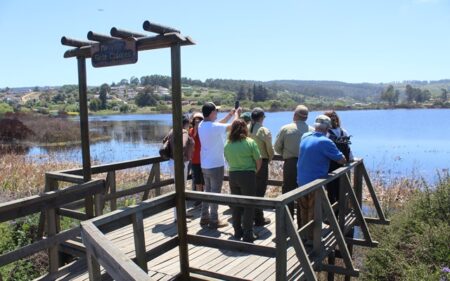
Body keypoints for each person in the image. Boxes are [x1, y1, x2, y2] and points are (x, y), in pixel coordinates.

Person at [297, 115, 346, 239]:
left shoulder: (305, 136)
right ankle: (312, 240)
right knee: (314, 212)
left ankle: (303, 236)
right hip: (315, 183)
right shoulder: (325, 142)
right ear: (327, 129)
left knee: (303, 209)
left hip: (301, 180)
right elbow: (342, 160)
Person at [198, 102, 240, 229]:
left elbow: (219, 124)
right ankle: (214, 220)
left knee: (207, 192)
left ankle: (204, 217)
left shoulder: (201, 125)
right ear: (211, 113)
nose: (217, 113)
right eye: (216, 111)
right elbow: (234, 125)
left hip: (205, 164)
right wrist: (237, 114)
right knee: (215, 193)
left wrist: (230, 114)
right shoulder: (213, 127)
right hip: (216, 165)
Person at [224, 119, 262, 242]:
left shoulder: (227, 144)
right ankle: (248, 233)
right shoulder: (250, 142)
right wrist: (254, 171)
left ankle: (237, 231)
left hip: (233, 175)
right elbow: (258, 160)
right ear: (245, 129)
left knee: (236, 204)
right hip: (247, 175)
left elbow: (227, 160)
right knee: (249, 205)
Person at [273, 105, 312, 217]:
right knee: (305, 190)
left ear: (295, 115)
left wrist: (285, 153)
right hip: (307, 164)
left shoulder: (286, 129)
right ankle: (304, 217)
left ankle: (287, 217)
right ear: (306, 117)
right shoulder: (312, 130)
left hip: (290, 163)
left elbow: (276, 147)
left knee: (288, 191)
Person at [165, 114, 195, 222]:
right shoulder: (184, 132)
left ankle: (182, 212)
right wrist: (181, 159)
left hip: (172, 162)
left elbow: (165, 142)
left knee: (179, 188)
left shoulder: (172, 131)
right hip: (180, 164)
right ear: (186, 124)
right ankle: (178, 217)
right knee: (180, 190)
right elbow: (182, 146)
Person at [249, 107, 274, 226]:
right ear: (261, 118)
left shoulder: (247, 128)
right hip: (261, 162)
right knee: (260, 190)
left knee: (251, 189)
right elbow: (269, 147)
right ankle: (259, 218)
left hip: (248, 162)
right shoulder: (263, 130)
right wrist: (270, 158)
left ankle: (252, 215)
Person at [323, 110, 354, 205]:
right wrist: (351, 159)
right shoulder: (343, 131)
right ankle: (341, 213)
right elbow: (348, 149)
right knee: (341, 190)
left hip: (330, 166)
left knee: (331, 192)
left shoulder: (326, 133)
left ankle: (333, 216)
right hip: (342, 165)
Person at [189, 112, 204, 208]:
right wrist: (195, 129)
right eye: (195, 120)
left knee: (205, 181)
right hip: (195, 160)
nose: (197, 121)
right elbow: (192, 139)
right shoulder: (190, 130)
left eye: (199, 120)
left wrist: (200, 129)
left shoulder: (205, 130)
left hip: (204, 159)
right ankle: (200, 199)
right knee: (197, 181)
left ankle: (206, 199)